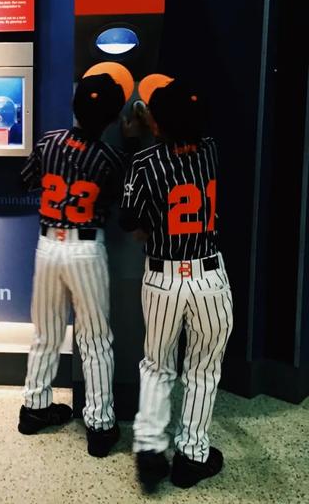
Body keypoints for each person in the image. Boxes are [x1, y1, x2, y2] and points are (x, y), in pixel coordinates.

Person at [120, 75, 233, 491]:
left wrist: (135, 137)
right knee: (203, 368)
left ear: (156, 124)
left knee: (157, 364)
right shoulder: (212, 150)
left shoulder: (144, 162)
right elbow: (184, 134)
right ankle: (192, 456)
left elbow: (129, 221)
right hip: (209, 277)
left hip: (163, 278)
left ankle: (150, 446)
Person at [18, 62, 136, 458]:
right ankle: (100, 426)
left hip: (48, 245)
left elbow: (24, 180)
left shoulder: (48, 142)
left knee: (46, 332)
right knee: (95, 339)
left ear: (75, 106)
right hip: (85, 249)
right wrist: (130, 141)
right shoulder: (112, 157)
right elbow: (124, 203)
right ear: (113, 119)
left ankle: (34, 408)